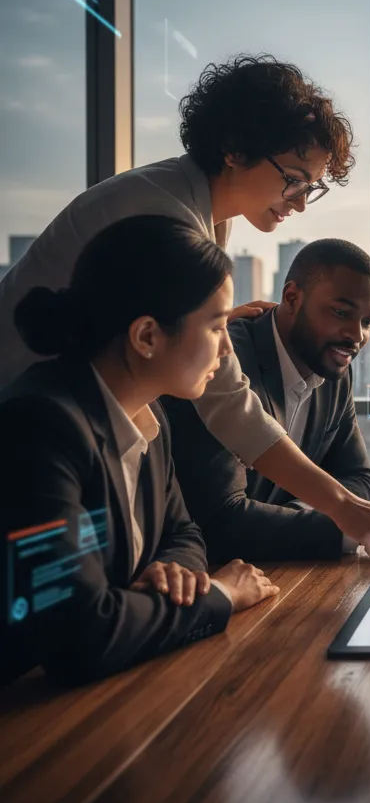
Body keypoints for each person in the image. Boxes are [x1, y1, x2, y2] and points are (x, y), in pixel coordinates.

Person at [0, 53, 370, 562]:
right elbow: (229, 403)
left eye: (310, 187)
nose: (298, 201)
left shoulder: (201, 211)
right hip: (35, 433)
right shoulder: (164, 214)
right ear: (233, 148)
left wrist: (215, 318)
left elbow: (131, 311)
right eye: (292, 178)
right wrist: (342, 506)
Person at [0, 216, 279, 686]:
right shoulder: (39, 428)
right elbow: (81, 634)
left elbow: (184, 532)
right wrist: (219, 594)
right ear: (147, 336)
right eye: (216, 327)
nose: (227, 351)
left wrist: (177, 575)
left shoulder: (148, 416)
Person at [163, 238, 370, 562]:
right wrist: (348, 523)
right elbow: (223, 521)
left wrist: (333, 514)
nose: (356, 335)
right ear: (291, 297)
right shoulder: (223, 365)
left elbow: (359, 479)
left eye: (367, 321)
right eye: (341, 312)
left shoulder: (333, 368)